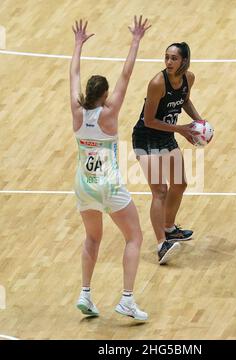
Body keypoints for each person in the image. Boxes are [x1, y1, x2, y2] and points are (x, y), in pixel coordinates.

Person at [70, 17, 151, 320]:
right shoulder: (110, 112)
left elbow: (73, 75)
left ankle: (86, 294)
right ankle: (127, 299)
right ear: (104, 95)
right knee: (134, 237)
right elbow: (126, 75)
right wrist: (135, 41)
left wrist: (77, 45)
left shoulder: (77, 111)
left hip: (84, 185)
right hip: (109, 185)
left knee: (92, 238)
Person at [132, 42, 204, 265]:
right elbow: (150, 120)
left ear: (184, 61)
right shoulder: (157, 83)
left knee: (180, 183)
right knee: (160, 190)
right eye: (167, 57)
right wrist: (182, 130)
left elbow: (184, 101)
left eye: (174, 58)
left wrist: (199, 121)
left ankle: (169, 227)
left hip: (166, 136)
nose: (169, 62)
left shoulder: (188, 78)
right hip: (146, 138)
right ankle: (162, 244)